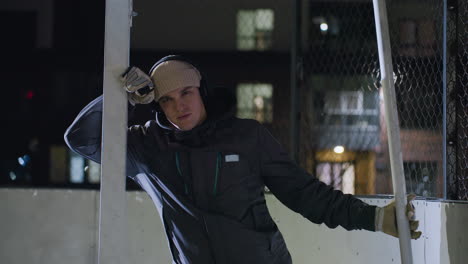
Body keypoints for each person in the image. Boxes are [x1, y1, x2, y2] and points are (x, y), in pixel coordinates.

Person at [64, 55, 421, 264]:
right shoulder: (148, 148)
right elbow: (81, 140)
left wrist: (374, 218)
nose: (179, 106)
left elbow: (305, 193)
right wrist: (122, 98)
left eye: (186, 93)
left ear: (201, 91)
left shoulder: (246, 136)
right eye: (167, 100)